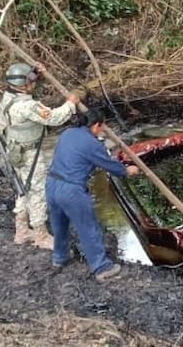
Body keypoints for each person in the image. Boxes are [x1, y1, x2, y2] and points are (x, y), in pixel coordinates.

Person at [46, 108, 140, 281]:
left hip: (52, 184)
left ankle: (60, 258)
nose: (102, 130)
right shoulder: (93, 144)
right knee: (88, 228)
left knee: (59, 225)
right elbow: (108, 164)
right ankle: (102, 267)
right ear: (97, 125)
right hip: (71, 190)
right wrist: (127, 170)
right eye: (102, 127)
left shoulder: (68, 133)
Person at [0, 62, 79, 249]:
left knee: (23, 189)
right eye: (31, 80)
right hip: (29, 154)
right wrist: (70, 104)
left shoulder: (8, 98)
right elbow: (54, 117)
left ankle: (22, 231)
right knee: (36, 192)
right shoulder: (26, 106)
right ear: (24, 84)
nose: (33, 83)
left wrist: (38, 73)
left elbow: (31, 92)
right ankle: (40, 235)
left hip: (15, 151)